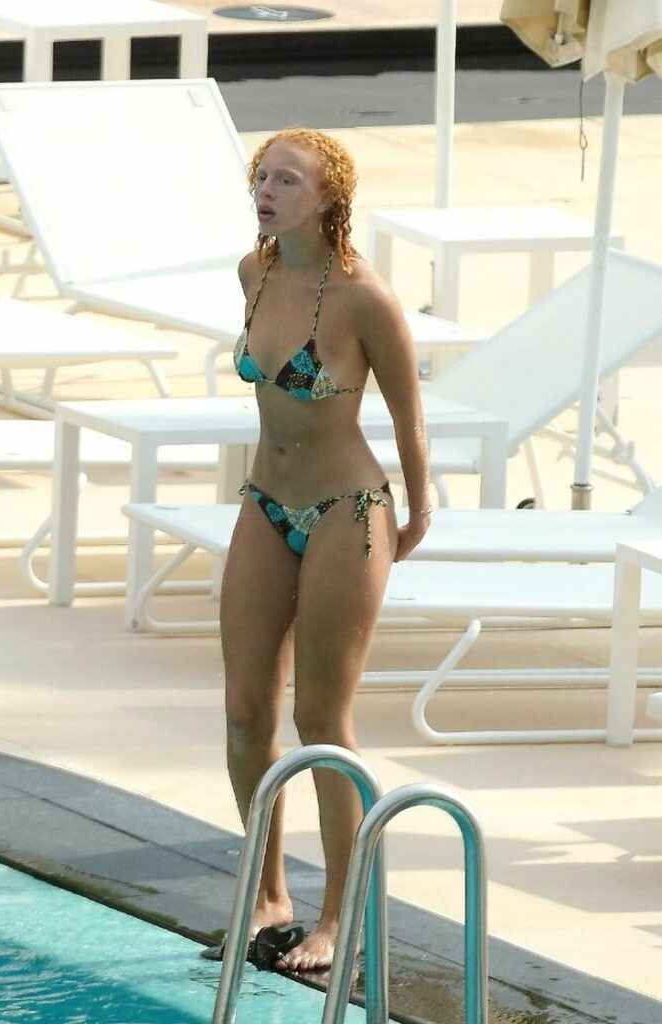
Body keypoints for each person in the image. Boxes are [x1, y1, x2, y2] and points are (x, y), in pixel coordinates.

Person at [220, 127, 431, 973]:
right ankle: (267, 895)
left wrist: (417, 512)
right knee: (244, 709)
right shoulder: (254, 271)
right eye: (262, 177)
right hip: (265, 500)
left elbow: (409, 415)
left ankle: (342, 912)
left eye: (287, 181)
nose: (266, 193)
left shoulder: (363, 298)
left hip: (349, 510)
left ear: (329, 197)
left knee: (320, 715)